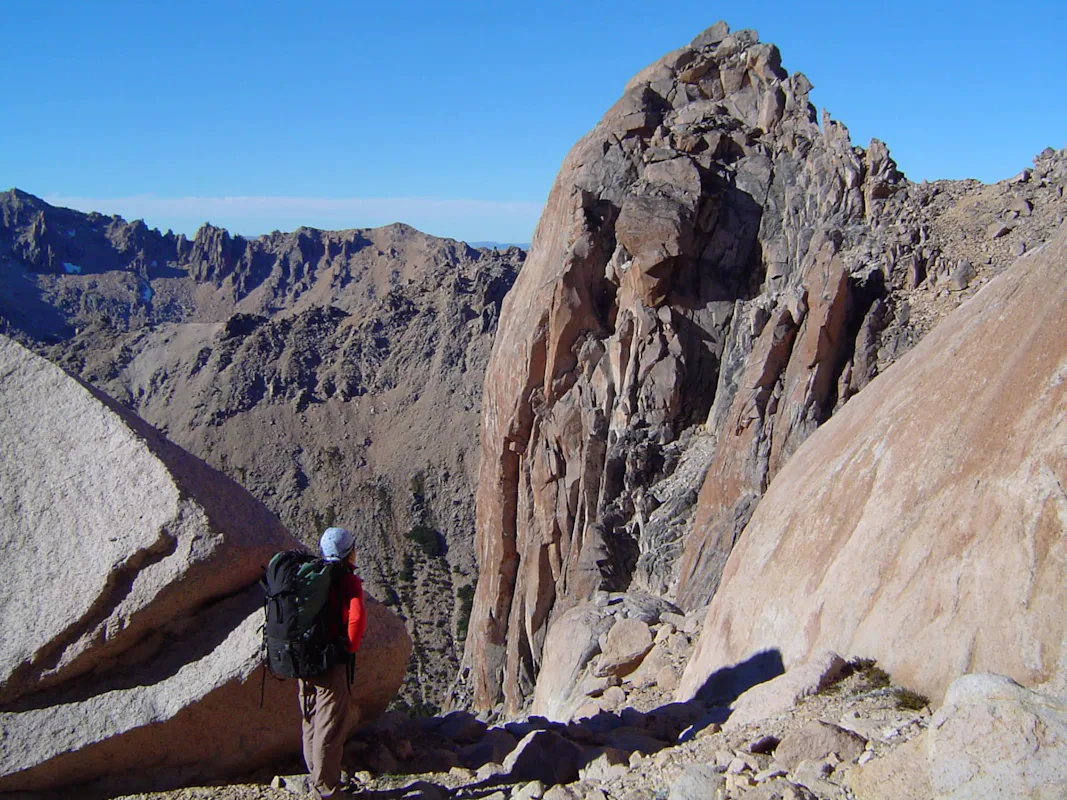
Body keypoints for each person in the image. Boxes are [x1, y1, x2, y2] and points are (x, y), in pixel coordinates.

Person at [299, 526, 367, 799]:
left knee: (311, 721)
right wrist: (347, 648)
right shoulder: (346, 580)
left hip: (302, 659)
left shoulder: (309, 576)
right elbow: (357, 619)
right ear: (349, 553)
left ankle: (317, 779)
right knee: (329, 726)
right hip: (329, 661)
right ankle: (326, 790)